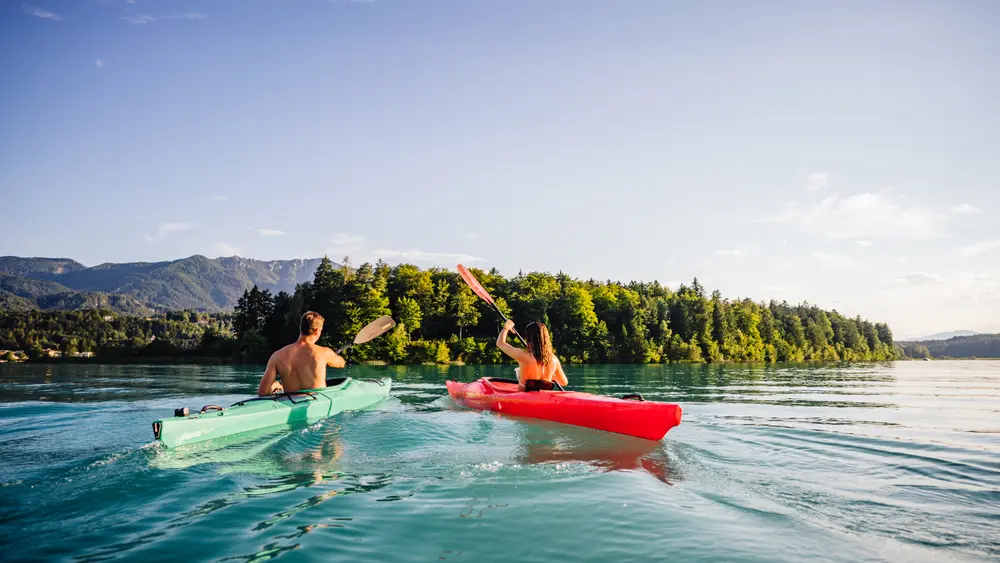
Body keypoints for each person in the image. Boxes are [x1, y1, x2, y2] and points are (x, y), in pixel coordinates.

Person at [256, 311, 346, 396]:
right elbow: (341, 363)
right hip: (316, 402)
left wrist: (275, 385)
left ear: (301, 328)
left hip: (290, 402)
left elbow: (262, 392)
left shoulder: (277, 355)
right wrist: (331, 357)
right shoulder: (323, 353)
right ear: (317, 330)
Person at [496, 319, 568, 390]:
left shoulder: (523, 356)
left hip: (523, 396)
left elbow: (500, 343)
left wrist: (506, 328)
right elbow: (564, 382)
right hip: (544, 397)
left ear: (529, 338)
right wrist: (551, 376)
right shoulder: (554, 360)